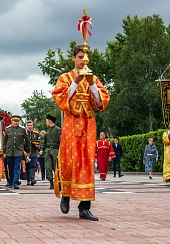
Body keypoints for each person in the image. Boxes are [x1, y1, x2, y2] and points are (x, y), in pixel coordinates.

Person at [52, 44, 110, 221]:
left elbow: (101, 102)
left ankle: (84, 206)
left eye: (85, 57)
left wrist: (91, 83)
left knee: (85, 160)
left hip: (87, 123)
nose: (83, 60)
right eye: (79, 57)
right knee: (69, 159)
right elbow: (61, 100)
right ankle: (66, 195)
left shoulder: (94, 77)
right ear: (74, 58)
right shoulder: (65, 77)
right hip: (71, 122)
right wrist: (76, 81)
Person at [3, 115, 30, 189]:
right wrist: (4, 152)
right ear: (12, 121)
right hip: (9, 151)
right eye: (14, 121)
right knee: (10, 168)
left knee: (17, 167)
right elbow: (5, 141)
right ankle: (11, 181)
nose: (15, 123)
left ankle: (15, 183)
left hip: (19, 151)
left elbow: (27, 140)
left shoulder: (22, 129)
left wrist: (28, 151)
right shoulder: (7, 129)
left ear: (19, 122)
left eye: (17, 121)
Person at [40, 114, 61, 189]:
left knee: (56, 166)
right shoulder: (47, 130)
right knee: (48, 166)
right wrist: (42, 150)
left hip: (56, 150)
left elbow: (61, 141)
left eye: (46, 121)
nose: (46, 123)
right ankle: (51, 182)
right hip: (48, 150)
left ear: (50, 121)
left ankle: (58, 182)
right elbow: (44, 141)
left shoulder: (58, 130)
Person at [26, 120, 40, 186]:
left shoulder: (36, 133)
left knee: (32, 165)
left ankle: (32, 179)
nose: (29, 127)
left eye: (31, 125)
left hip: (34, 152)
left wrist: (38, 146)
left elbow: (39, 142)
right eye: (28, 125)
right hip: (26, 152)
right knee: (27, 166)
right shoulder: (25, 133)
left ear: (33, 125)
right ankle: (28, 179)